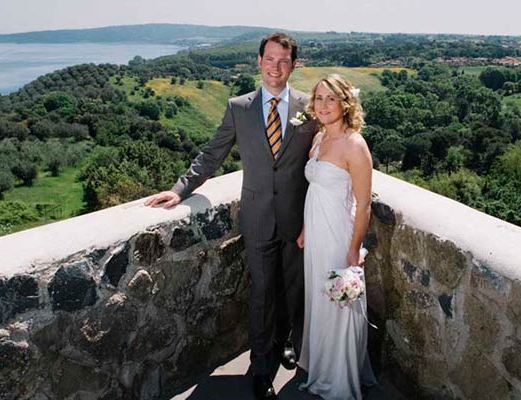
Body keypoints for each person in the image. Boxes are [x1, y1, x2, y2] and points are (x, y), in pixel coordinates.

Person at [144, 32, 317, 400]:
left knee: (292, 287)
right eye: (269, 59)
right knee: (261, 292)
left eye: (283, 61)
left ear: (294, 65)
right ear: (258, 61)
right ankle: (260, 365)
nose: (276, 67)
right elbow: (212, 154)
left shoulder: (309, 106)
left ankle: (286, 343)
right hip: (256, 216)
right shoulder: (239, 107)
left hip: (297, 216)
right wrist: (178, 190)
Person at [297, 74, 377, 400]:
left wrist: (354, 248)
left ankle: (339, 380)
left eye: (331, 99)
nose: (324, 105)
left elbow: (364, 204)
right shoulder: (318, 139)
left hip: (337, 235)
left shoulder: (354, 144)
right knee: (318, 297)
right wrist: (304, 229)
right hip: (315, 233)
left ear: (345, 102)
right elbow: (316, 187)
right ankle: (320, 363)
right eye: (319, 99)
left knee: (338, 304)